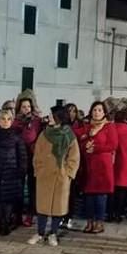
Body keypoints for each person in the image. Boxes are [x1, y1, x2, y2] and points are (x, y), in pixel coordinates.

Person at [30, 105, 80, 246]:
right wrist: (38, 170)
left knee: (58, 207)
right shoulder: (44, 134)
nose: (49, 118)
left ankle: (53, 233)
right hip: (44, 176)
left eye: (52, 116)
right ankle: (40, 232)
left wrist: (68, 173)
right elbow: (37, 154)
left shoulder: (69, 135)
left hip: (61, 176)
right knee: (42, 206)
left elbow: (74, 157)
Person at [76, 101, 118, 234]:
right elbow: (80, 140)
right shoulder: (87, 127)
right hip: (89, 165)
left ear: (104, 112)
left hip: (102, 167)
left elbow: (113, 145)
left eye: (100, 110)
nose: (97, 112)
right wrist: (85, 145)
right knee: (88, 195)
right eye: (94, 110)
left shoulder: (109, 127)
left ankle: (99, 222)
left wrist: (96, 148)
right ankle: (89, 222)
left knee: (100, 196)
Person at [0, 110, 26, 236]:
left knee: (8, 201)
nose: (6, 121)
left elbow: (22, 157)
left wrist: (20, 172)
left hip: (11, 174)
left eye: (8, 119)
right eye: (3, 119)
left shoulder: (16, 138)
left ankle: (6, 224)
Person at [12, 97, 43, 227]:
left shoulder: (36, 121)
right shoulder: (15, 122)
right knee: (17, 186)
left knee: (32, 187)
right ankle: (17, 214)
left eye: (28, 107)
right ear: (19, 108)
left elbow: (37, 136)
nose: (26, 109)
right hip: (18, 157)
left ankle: (30, 214)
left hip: (32, 157)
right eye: (24, 107)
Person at [108, 109, 127, 222]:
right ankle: (118, 214)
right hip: (126, 164)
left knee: (111, 191)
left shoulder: (111, 128)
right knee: (122, 192)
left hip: (112, 164)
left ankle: (110, 213)